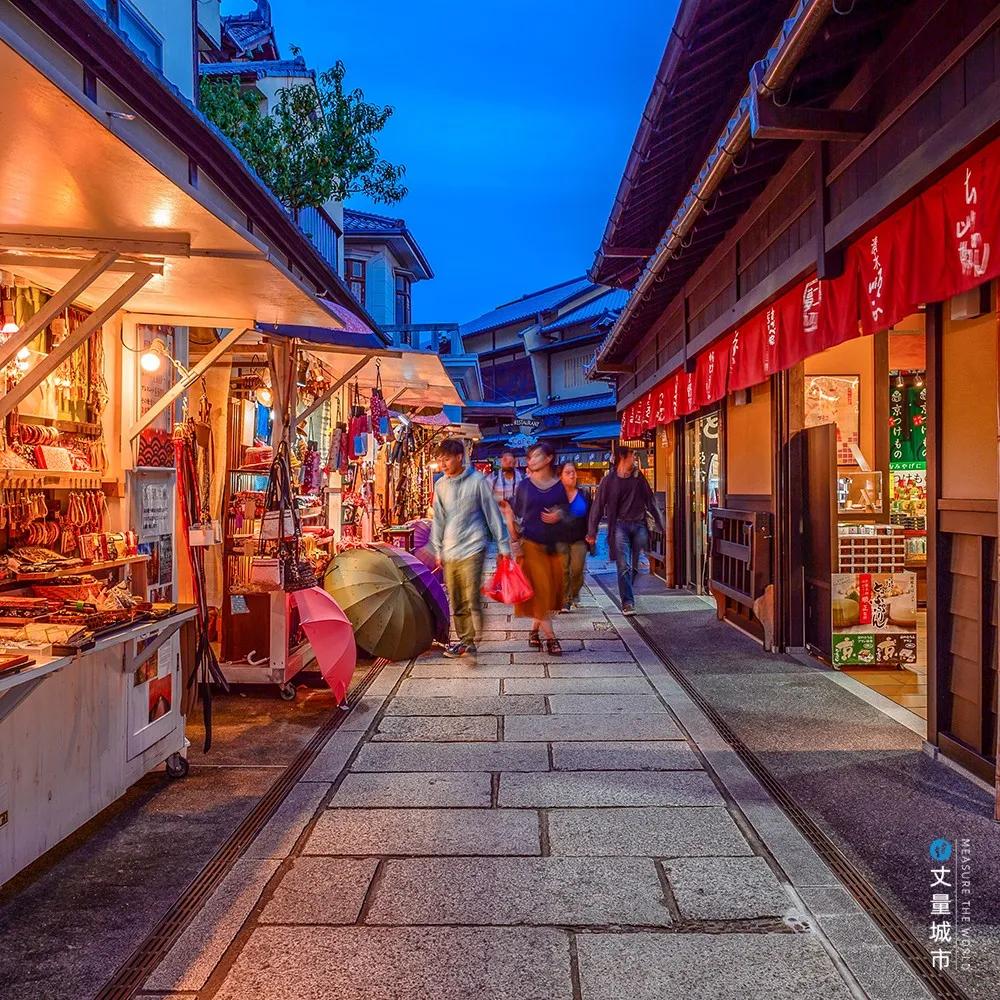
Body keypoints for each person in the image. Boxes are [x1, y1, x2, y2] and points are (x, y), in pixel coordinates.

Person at [432, 438, 510, 657]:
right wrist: (438, 548)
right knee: (456, 599)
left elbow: (492, 515)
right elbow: (439, 518)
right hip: (450, 549)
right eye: (440, 460)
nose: (443, 464)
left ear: (459, 457)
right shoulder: (440, 485)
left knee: (471, 595)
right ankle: (466, 640)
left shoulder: (477, 482)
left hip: (474, 547)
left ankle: (472, 639)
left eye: (446, 459)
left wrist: (503, 547)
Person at [587, 446, 664, 615]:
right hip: (620, 526)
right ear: (622, 457)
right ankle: (627, 602)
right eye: (632, 455)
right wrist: (592, 531)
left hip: (639, 524)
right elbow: (598, 506)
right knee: (624, 565)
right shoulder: (609, 480)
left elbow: (650, 500)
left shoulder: (638, 477)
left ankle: (627, 588)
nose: (634, 458)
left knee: (635, 566)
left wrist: (660, 522)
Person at [512, 442, 567, 655]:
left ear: (548, 458)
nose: (531, 460)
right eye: (530, 457)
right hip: (531, 545)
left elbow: (571, 511)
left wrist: (559, 514)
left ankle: (534, 631)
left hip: (553, 547)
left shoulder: (560, 486)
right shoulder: (524, 486)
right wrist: (513, 541)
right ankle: (552, 639)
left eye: (536, 456)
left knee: (546, 594)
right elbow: (516, 516)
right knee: (540, 593)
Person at [554, 461, 591, 612]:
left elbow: (591, 515)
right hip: (559, 537)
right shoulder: (555, 495)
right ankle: (565, 600)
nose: (572, 475)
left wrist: (592, 533)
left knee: (577, 569)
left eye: (573, 472)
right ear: (560, 476)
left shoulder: (584, 494)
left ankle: (574, 593)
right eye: (567, 473)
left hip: (579, 537)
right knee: (563, 570)